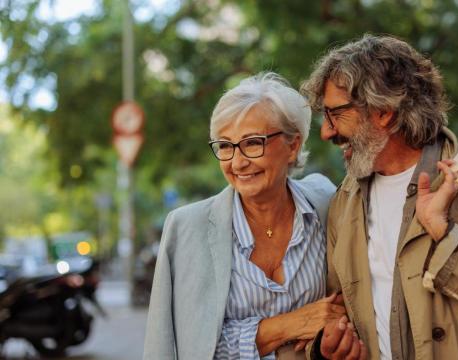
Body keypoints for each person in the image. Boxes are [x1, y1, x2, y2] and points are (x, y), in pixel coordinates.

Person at [300, 34, 458, 359]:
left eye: (336, 114)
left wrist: (444, 235)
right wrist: (326, 349)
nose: (326, 131)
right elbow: (339, 316)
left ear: (383, 111)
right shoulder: (344, 201)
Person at [143, 73, 346, 359]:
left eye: (252, 143)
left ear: (293, 146)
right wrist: (289, 325)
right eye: (225, 146)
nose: (238, 162)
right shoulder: (186, 228)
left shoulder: (326, 202)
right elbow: (187, 343)